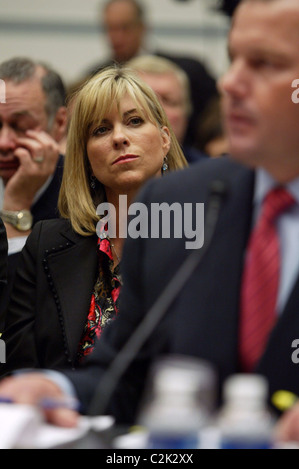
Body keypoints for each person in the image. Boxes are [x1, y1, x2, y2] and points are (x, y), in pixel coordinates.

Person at [1, 0, 299, 444]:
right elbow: (126, 375)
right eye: (233, 57)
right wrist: (57, 388)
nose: (229, 81)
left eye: (264, 62)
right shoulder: (193, 200)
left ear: (165, 138)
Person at [0, 65, 187, 377]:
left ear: (165, 139)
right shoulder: (46, 243)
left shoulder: (204, 235)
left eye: (134, 121)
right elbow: (20, 366)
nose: (119, 137)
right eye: (100, 130)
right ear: (84, 156)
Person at [84, 0, 218, 148]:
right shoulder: (95, 78)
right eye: (110, 29)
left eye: (125, 27)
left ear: (142, 27)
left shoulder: (190, 70)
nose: (117, 37)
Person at [0, 57, 68, 329]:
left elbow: (19, 320)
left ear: (59, 123)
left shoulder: (85, 197)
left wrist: (17, 204)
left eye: (21, 126)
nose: (4, 142)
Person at [127, 54, 208, 164]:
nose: (158, 111)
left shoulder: (208, 174)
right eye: (146, 101)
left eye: (168, 101)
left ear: (186, 114)